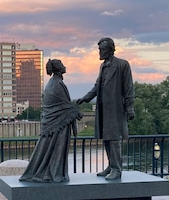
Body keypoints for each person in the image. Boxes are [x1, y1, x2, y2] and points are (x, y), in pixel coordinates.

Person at [76, 37, 135, 180]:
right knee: (107, 139)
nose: (99, 52)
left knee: (114, 139)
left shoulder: (122, 65)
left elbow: (129, 88)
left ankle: (117, 169)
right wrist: (86, 98)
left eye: (101, 49)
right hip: (103, 109)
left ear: (109, 50)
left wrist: (130, 107)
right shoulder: (102, 66)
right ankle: (111, 165)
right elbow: (98, 86)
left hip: (115, 109)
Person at [20, 59, 82, 183]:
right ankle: (53, 173)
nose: (65, 66)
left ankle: (54, 172)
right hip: (58, 123)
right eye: (62, 65)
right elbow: (63, 105)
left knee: (51, 149)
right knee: (54, 148)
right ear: (58, 69)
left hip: (58, 122)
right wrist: (76, 113)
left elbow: (62, 104)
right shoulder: (56, 84)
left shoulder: (55, 83)